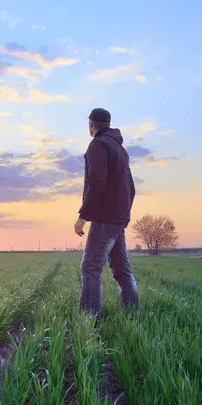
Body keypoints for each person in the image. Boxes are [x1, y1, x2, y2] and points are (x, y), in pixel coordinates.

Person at [74, 107, 139, 320]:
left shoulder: (97, 145)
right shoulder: (120, 149)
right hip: (119, 217)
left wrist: (82, 217)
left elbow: (96, 184)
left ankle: (89, 318)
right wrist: (124, 215)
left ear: (92, 124)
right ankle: (132, 310)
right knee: (121, 267)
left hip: (105, 217)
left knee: (90, 266)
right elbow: (131, 186)